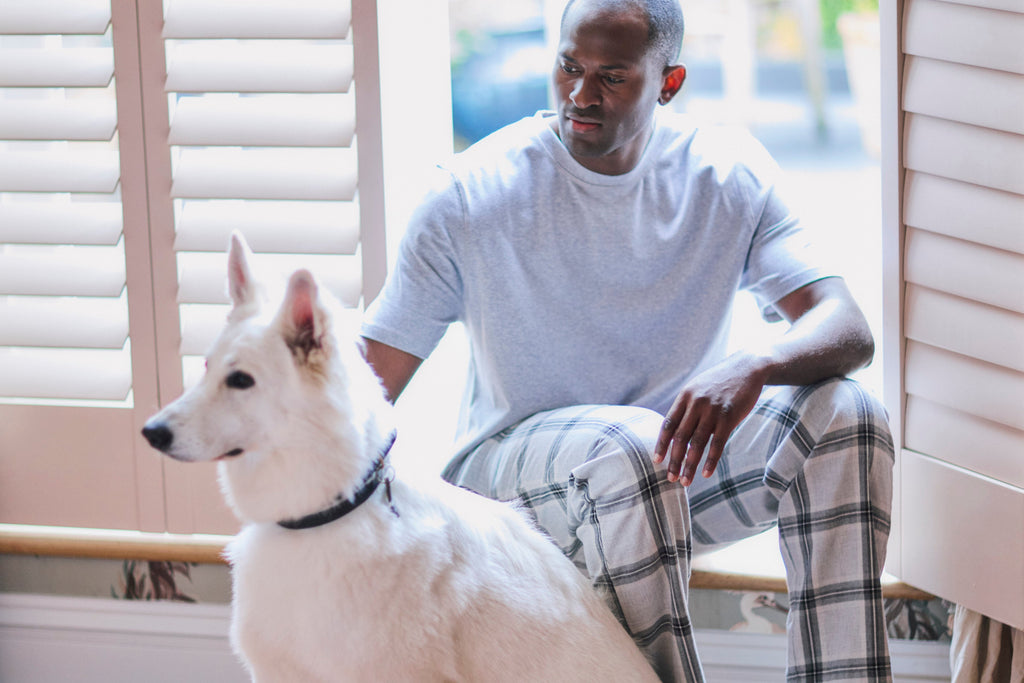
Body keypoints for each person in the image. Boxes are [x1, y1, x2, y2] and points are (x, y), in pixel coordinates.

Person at [360, 0, 895, 680]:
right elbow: (370, 377)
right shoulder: (470, 194)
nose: (581, 95)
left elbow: (845, 323)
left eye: (612, 76)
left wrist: (754, 364)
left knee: (850, 418)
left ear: (668, 83)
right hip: (512, 485)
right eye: (568, 67)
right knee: (633, 446)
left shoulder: (727, 173)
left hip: (667, 472)